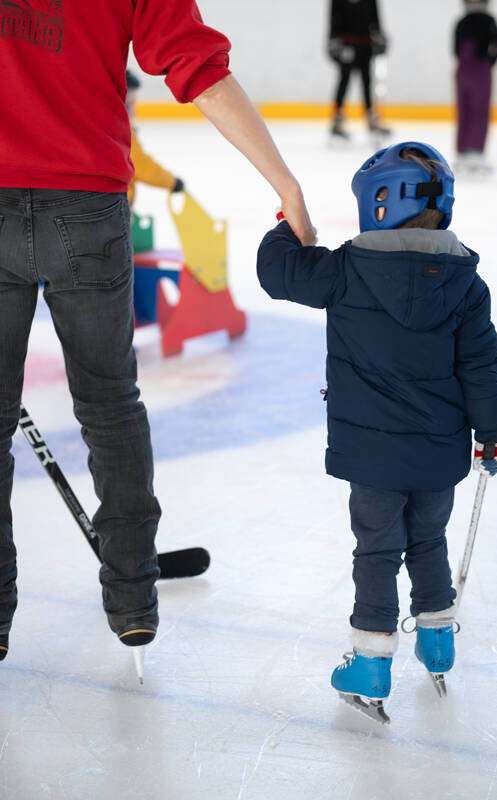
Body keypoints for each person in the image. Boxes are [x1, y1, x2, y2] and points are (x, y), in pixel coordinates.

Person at [0, 0, 315, 664]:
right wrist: (281, 180)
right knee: (111, 407)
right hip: (86, 207)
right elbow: (196, 65)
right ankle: (133, 599)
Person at [257, 141, 497, 722]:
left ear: (377, 205)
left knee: (377, 551)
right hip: (439, 454)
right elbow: (480, 366)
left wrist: (287, 224)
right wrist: (490, 433)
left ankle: (370, 662)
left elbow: (276, 273)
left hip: (371, 458)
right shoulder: (466, 283)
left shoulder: (344, 269)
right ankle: (437, 640)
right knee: (427, 542)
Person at [453, 0, 497, 173]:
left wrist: (489, 62)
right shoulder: (476, 21)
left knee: (475, 109)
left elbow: (455, 48)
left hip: (473, 68)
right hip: (474, 68)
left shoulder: (467, 21)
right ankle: (466, 150)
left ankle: (471, 150)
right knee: (469, 109)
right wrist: (490, 61)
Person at [328, 0, 389, 139]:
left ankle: (371, 118)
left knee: (367, 80)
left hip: (365, 44)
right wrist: (335, 42)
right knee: (344, 80)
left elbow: (375, 19)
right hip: (347, 44)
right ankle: (337, 119)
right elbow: (333, 22)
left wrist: (379, 36)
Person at [125, 70, 185, 209]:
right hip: (111, 210)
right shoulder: (122, 136)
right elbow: (141, 166)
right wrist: (172, 182)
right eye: (130, 104)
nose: (134, 111)